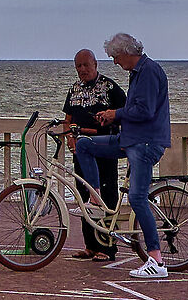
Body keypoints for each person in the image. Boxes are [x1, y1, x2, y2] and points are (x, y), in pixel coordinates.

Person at [71, 32, 171, 279]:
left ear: (127, 52)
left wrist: (116, 114)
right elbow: (134, 109)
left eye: (115, 57)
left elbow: (145, 111)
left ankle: (156, 260)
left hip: (145, 143)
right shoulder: (137, 73)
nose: (115, 62)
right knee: (84, 145)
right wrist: (115, 114)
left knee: (137, 199)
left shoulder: (148, 72)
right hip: (129, 139)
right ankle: (95, 199)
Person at [61, 47, 127, 260]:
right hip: (81, 150)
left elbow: (125, 114)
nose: (82, 70)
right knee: (84, 196)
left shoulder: (109, 87)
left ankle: (106, 248)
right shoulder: (73, 90)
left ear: (95, 65)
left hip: (104, 149)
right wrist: (69, 137)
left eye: (85, 65)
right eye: (78, 66)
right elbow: (68, 119)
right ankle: (89, 245)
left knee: (105, 195)